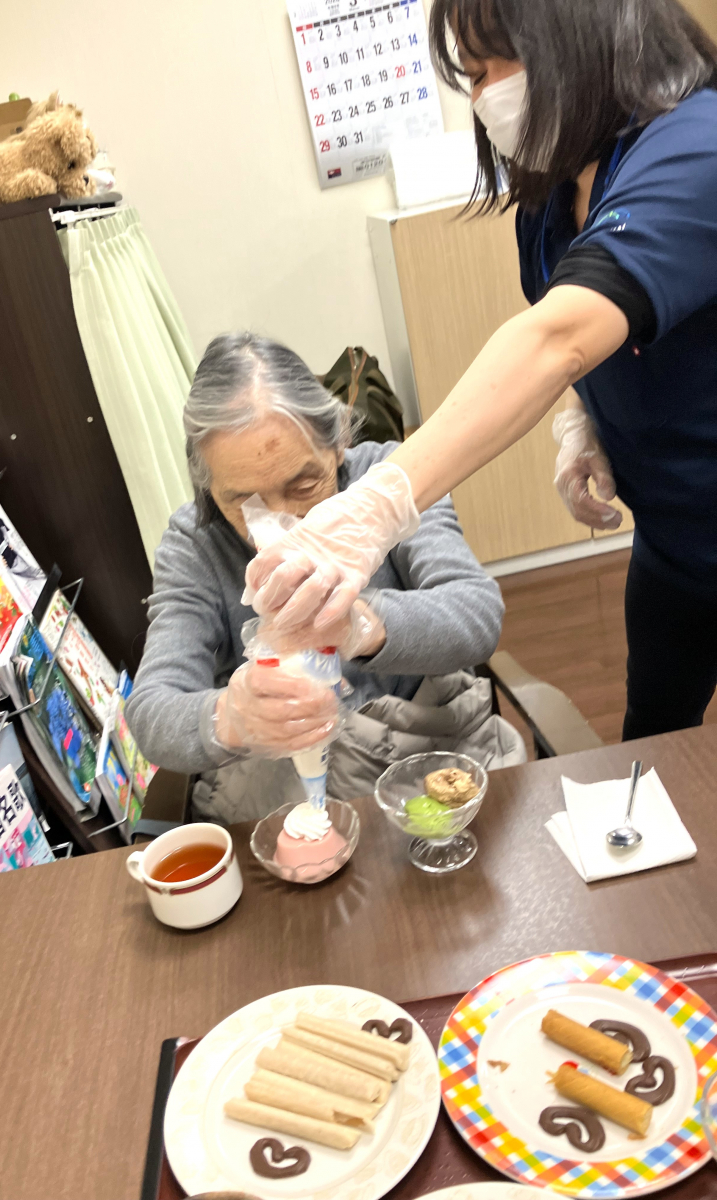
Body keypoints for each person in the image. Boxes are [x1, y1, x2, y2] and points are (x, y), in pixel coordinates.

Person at [244, 0, 717, 744]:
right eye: (470, 75)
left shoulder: (697, 148)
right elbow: (599, 327)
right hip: (673, 539)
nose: (483, 96)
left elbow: (557, 337)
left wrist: (375, 507)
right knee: (654, 741)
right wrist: (586, 422)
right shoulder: (554, 196)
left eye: (495, 65)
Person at [125, 334, 523, 825]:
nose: (282, 521)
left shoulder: (387, 478)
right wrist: (230, 716)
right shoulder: (195, 542)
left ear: (337, 443)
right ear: (209, 486)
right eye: (243, 501)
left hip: (416, 755)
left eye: (304, 484)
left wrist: (360, 624)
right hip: (282, 792)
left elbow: (476, 613)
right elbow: (153, 708)